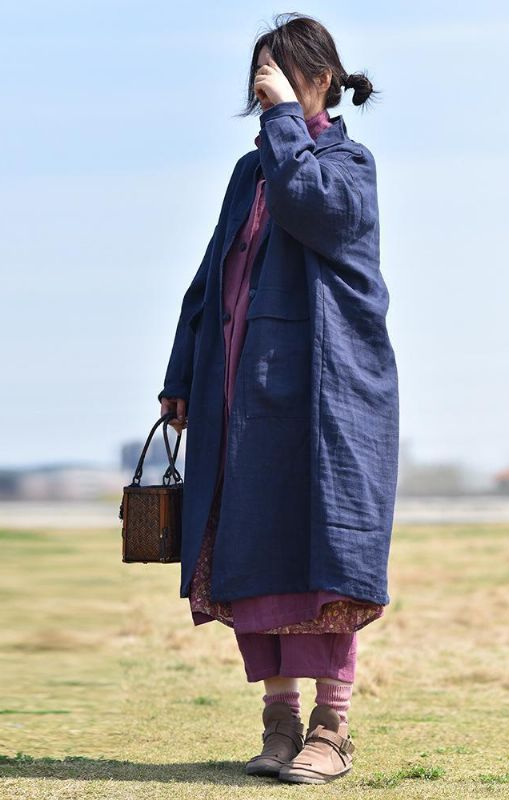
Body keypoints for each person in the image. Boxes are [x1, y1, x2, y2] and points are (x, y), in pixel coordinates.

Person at [157, 12, 399, 785]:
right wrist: (179, 374)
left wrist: (285, 122)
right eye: (259, 81)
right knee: (250, 553)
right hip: (242, 399)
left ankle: (332, 727)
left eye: (279, 77)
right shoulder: (248, 172)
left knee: (322, 555)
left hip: (325, 404)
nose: (263, 93)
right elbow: (212, 276)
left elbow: (314, 208)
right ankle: (279, 721)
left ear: (318, 81)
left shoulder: (346, 162)